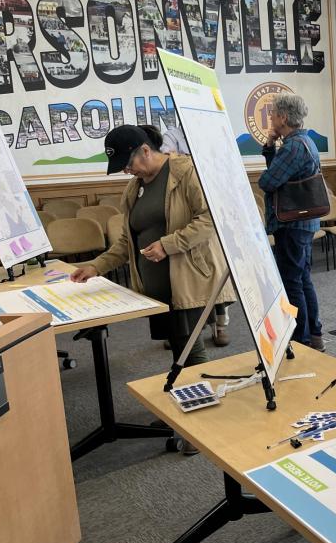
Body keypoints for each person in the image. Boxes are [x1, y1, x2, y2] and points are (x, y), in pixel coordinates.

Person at [71, 124, 236, 368]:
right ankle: (193, 392)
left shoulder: (186, 172)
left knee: (188, 347)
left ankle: (205, 396)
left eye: (128, 165)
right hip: (156, 285)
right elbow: (128, 240)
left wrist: (167, 245)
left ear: (146, 151)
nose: (127, 171)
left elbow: (210, 219)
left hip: (186, 278)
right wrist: (96, 267)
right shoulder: (134, 187)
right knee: (181, 346)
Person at [257, 93, 325, 351]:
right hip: (303, 223)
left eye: (273, 114)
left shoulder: (294, 146)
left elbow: (268, 181)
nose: (271, 118)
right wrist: (270, 145)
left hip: (292, 225)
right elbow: (278, 172)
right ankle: (314, 335)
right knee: (302, 279)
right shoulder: (303, 142)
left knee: (292, 282)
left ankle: (303, 339)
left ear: (284, 117)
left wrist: (272, 151)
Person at [156, 124, 229, 346]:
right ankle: (187, 329)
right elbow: (170, 159)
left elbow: (219, 160)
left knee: (216, 270)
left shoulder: (210, 132)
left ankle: (221, 324)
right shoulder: (171, 134)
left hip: (213, 199)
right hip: (185, 205)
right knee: (193, 273)